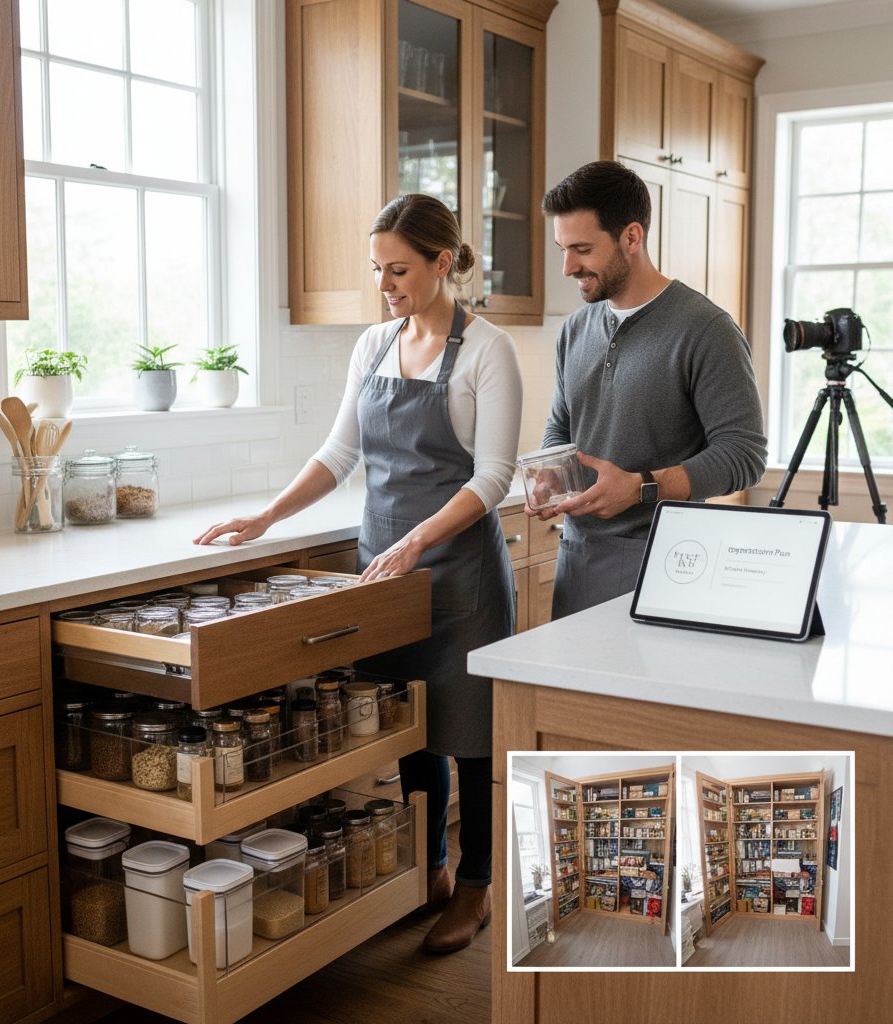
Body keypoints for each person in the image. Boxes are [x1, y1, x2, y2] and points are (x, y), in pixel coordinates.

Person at [194, 193, 523, 954]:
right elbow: (340, 454)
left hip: (460, 575)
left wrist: (416, 542)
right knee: (409, 731)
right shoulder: (373, 344)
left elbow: (495, 477)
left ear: (444, 263)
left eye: (400, 269)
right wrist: (266, 516)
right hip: (385, 576)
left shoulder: (486, 351)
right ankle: (430, 868)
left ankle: (475, 887)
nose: (386, 284)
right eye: (377, 269)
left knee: (468, 739)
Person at [531, 160, 767, 619]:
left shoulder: (706, 329)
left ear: (632, 237)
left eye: (581, 248)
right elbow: (562, 424)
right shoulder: (574, 330)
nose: (567, 267)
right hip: (577, 555)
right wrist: (551, 472)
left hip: (668, 560)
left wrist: (640, 488)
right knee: (572, 693)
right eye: (562, 248)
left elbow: (744, 455)